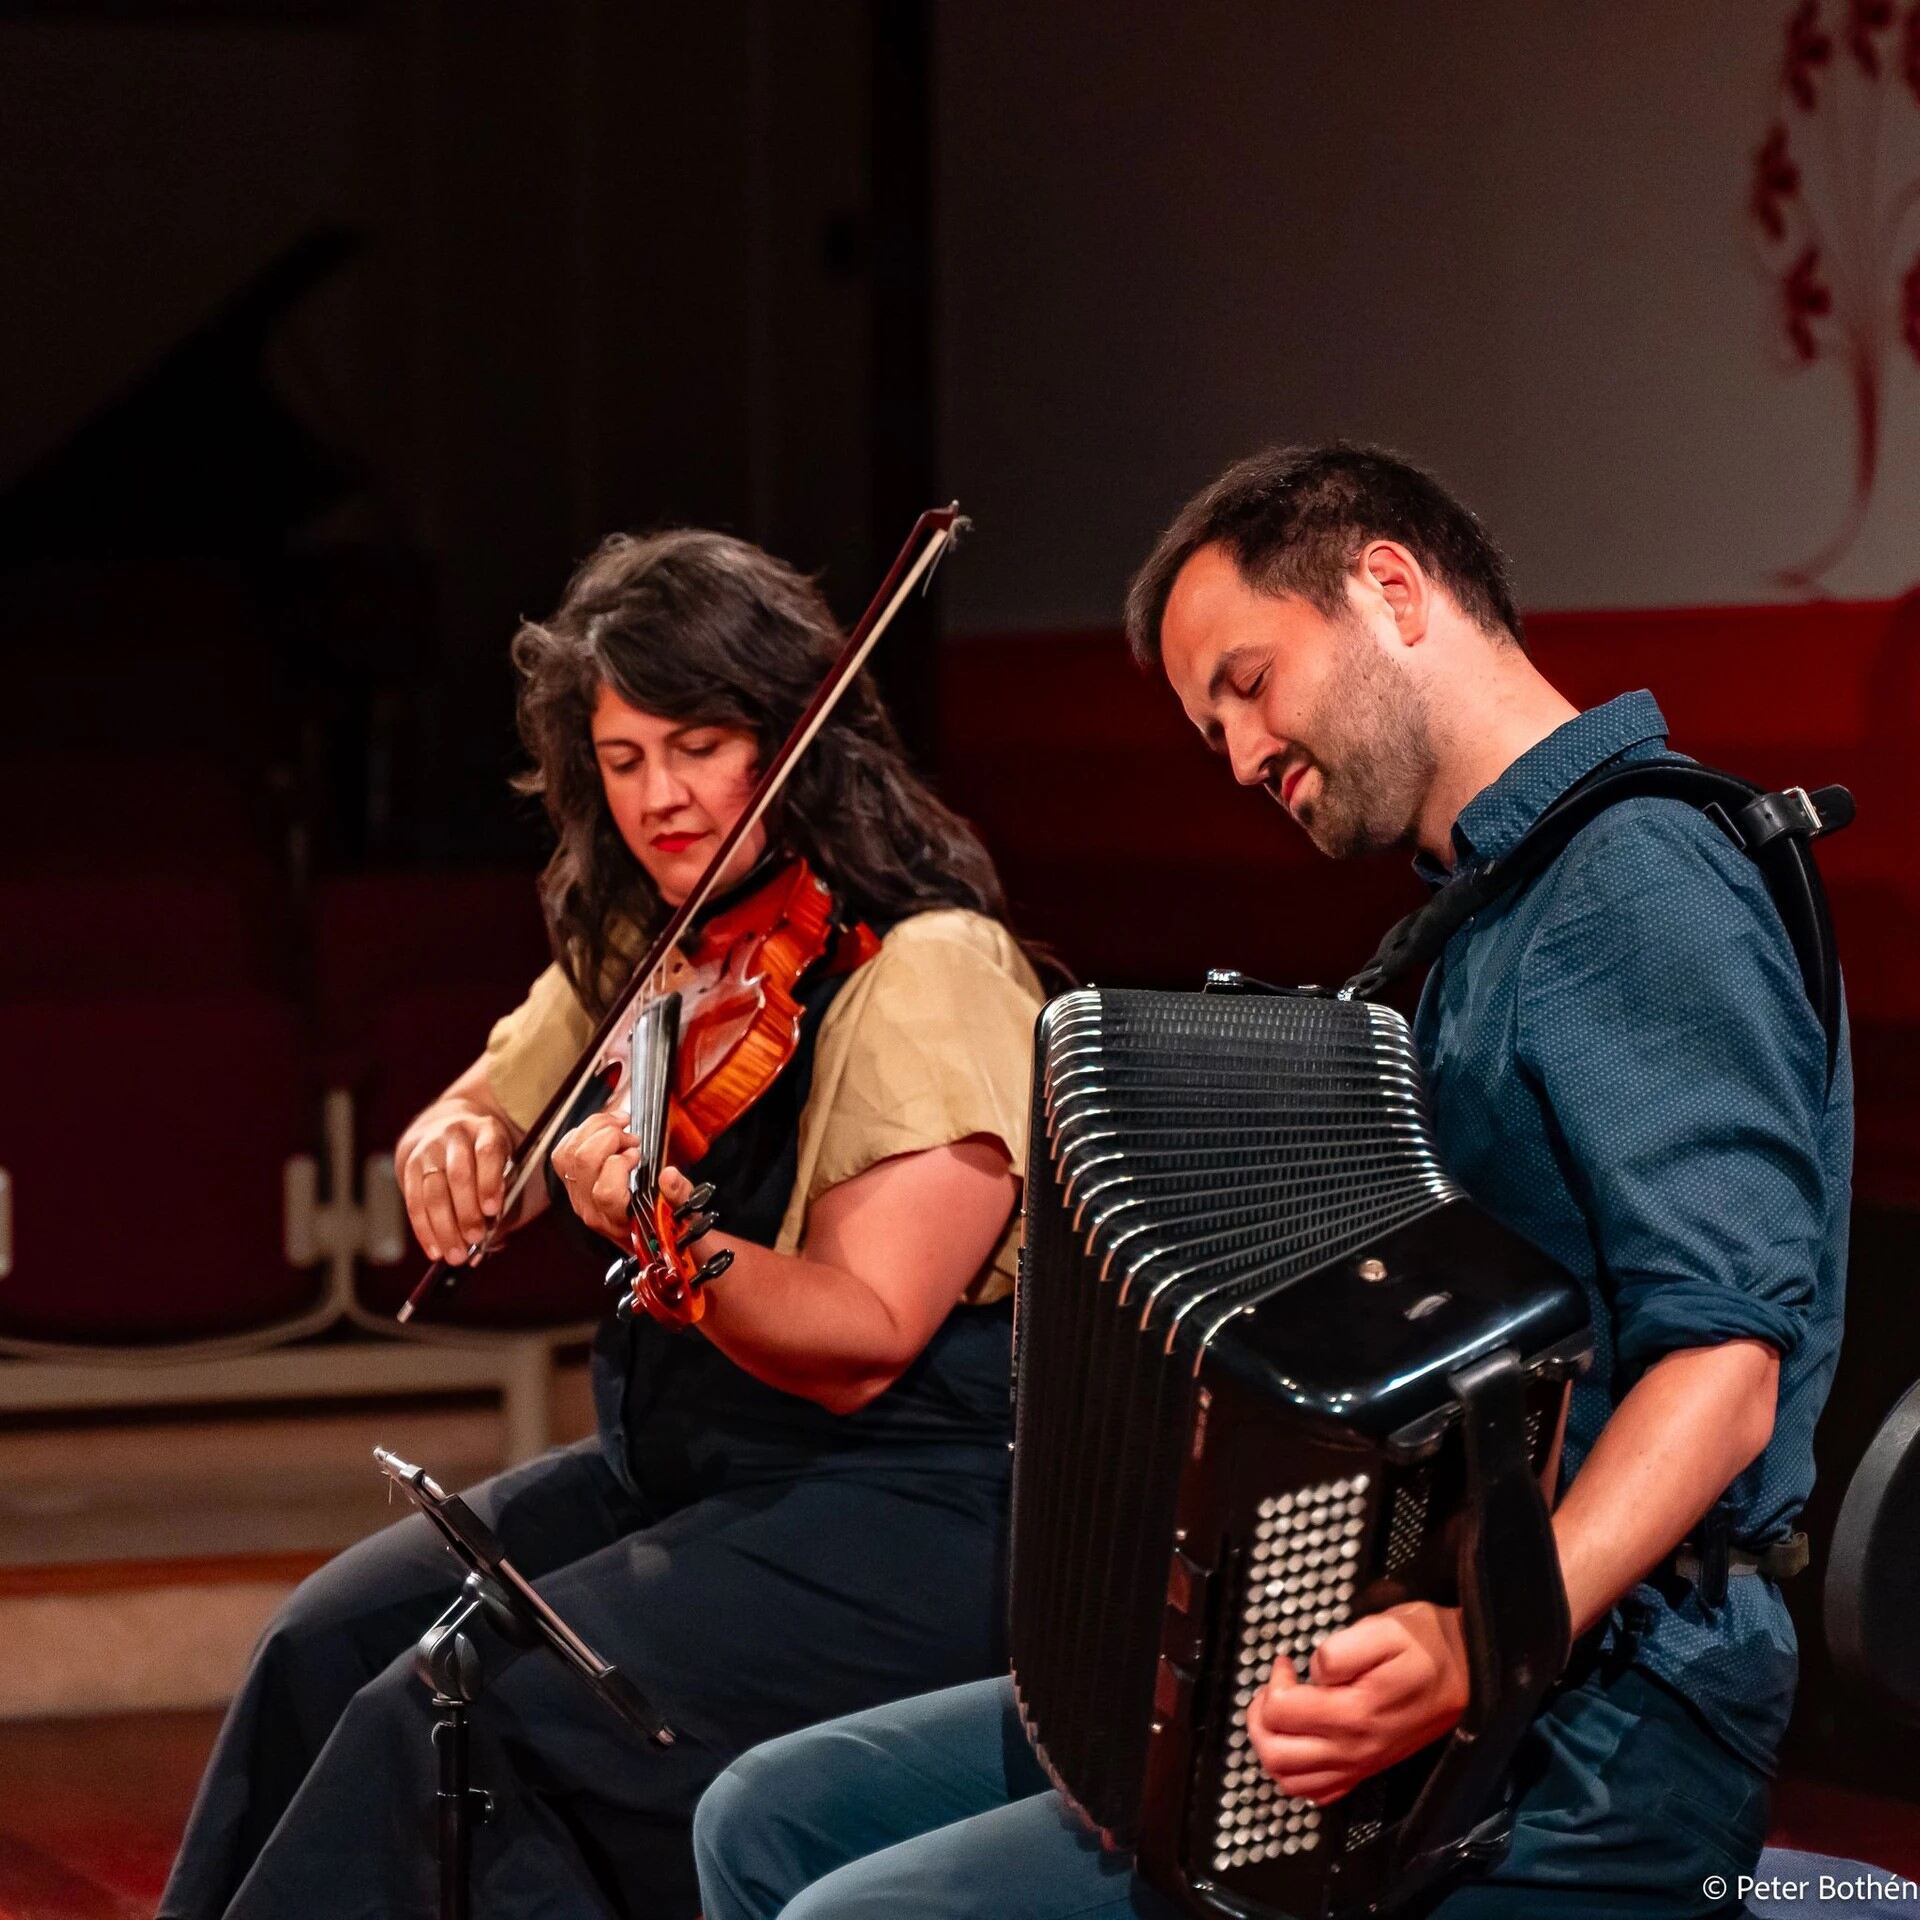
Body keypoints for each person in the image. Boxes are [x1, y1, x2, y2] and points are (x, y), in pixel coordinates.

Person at [693, 444, 1851, 1919]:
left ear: (1389, 587)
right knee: (769, 1817)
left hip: (1597, 1718)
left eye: (1248, 682)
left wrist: (1477, 1639)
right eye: (1207, 729)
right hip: (1438, 1641)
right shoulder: (1481, 920)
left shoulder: (1632, 881)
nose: (1241, 758)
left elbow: (1726, 1365)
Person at [158, 528, 1046, 1920]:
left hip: (901, 1507)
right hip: (692, 1469)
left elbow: (862, 1337)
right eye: (624, 763)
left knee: (470, 1718)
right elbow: (488, 1106)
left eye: (696, 747)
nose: (661, 799)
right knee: (318, 1648)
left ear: (792, 738)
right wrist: (452, 1147)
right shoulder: (659, 943)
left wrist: (669, 1247)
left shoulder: (929, 970)